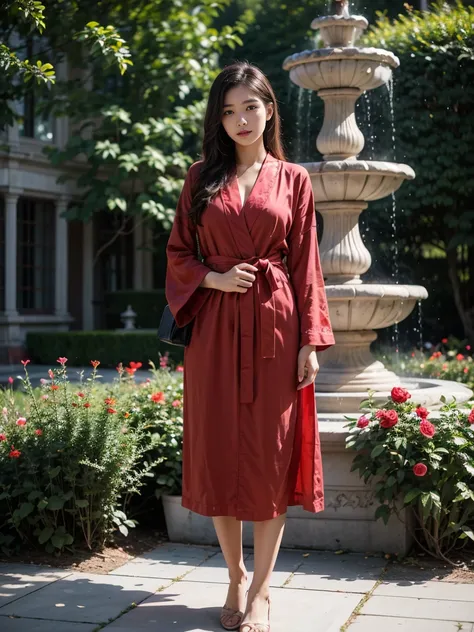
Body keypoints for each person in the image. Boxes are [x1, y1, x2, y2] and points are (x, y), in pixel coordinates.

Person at [165, 62, 334, 632]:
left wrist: (311, 340)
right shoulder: (198, 178)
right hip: (214, 331)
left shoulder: (294, 180)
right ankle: (234, 574)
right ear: (219, 117)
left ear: (269, 110)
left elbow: (307, 263)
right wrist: (210, 279)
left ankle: (262, 590)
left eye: (251, 107)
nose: (241, 119)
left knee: (269, 456)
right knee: (219, 449)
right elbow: (177, 253)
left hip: (275, 327)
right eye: (229, 110)